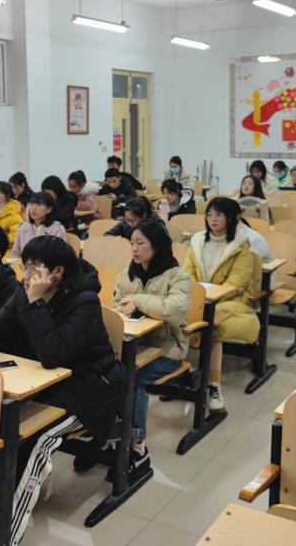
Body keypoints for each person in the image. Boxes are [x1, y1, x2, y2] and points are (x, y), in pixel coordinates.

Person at [0, 236, 126, 545]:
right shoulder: (25, 290)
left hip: (88, 391)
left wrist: (36, 303)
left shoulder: (85, 301)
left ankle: (4, 536)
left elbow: (53, 354)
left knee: (35, 442)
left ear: (57, 272)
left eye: (34, 267)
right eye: (25, 266)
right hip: (44, 386)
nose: (26, 275)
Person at [113, 219, 190, 471]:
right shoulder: (126, 275)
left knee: (131, 378)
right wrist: (123, 307)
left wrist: (137, 300)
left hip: (167, 349)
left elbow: (174, 310)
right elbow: (116, 306)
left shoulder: (177, 276)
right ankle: (108, 435)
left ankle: (137, 445)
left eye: (140, 243)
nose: (134, 249)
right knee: (106, 373)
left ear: (156, 245)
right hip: (133, 346)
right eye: (132, 243)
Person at [182, 197, 258, 413]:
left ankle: (214, 385)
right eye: (209, 215)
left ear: (230, 218)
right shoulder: (197, 241)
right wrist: (198, 295)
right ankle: (182, 376)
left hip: (231, 302)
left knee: (210, 324)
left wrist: (210, 297)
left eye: (218, 215)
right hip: (199, 299)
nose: (212, 219)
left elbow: (236, 284)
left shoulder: (240, 246)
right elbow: (187, 273)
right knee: (176, 318)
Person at [12, 192, 68, 257]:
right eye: (31, 204)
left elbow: (59, 255)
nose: (33, 208)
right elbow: (16, 253)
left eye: (39, 204)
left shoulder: (57, 228)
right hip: (24, 263)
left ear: (49, 209)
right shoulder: (23, 227)